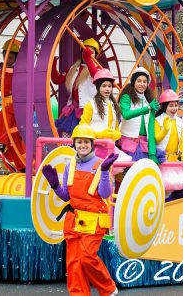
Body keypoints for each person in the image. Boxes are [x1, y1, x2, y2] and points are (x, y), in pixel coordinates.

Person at [39, 125, 118, 296]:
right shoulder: (70, 165)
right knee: (74, 263)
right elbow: (67, 196)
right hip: (73, 219)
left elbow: (105, 193)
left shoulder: (99, 164)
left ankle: (108, 288)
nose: (83, 145)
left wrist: (104, 171)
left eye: (86, 142)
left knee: (87, 257)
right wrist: (54, 185)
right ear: (74, 144)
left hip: (94, 220)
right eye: (79, 142)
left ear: (92, 144)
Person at [151, 89, 183, 193]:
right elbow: (156, 139)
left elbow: (181, 141)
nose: (174, 108)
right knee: (162, 190)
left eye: (175, 105)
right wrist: (165, 130)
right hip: (163, 162)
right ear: (164, 106)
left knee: (174, 191)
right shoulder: (157, 120)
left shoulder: (179, 121)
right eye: (171, 105)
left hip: (175, 162)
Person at [56, 39, 102, 135]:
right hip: (72, 112)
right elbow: (57, 79)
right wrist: (53, 63)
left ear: (96, 55)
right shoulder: (74, 68)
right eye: (85, 52)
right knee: (68, 139)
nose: (88, 55)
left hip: (89, 112)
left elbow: (97, 77)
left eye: (91, 53)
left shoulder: (98, 70)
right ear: (81, 53)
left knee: (85, 139)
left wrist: (88, 58)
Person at [118, 70, 155, 161]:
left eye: (144, 81)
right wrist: (147, 109)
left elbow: (150, 128)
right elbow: (126, 114)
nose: (142, 84)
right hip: (128, 143)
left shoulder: (149, 101)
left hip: (143, 145)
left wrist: (153, 152)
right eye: (139, 81)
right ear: (133, 82)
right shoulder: (126, 97)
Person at [77, 67, 120, 145]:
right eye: (104, 86)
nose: (107, 89)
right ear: (98, 87)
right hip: (94, 147)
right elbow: (82, 128)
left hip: (110, 147)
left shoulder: (114, 105)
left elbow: (116, 128)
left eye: (109, 86)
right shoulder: (90, 105)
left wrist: (116, 134)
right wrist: (100, 135)